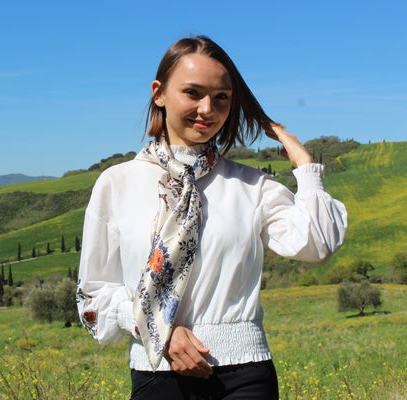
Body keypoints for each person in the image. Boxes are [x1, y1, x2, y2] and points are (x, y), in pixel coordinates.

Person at [77, 35, 347, 400]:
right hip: (157, 374)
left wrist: (307, 167)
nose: (207, 109)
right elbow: (93, 295)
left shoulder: (252, 186)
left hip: (246, 376)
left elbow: (317, 245)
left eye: (221, 97)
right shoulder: (116, 183)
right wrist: (158, 329)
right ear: (158, 93)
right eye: (193, 92)